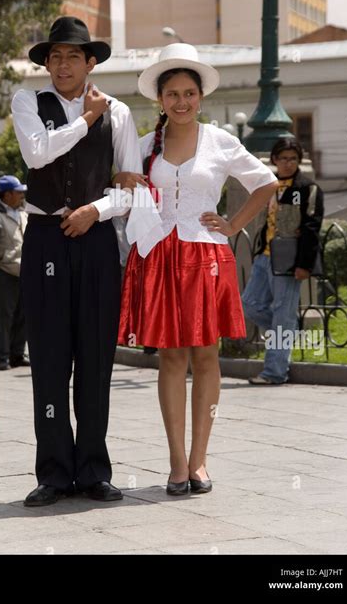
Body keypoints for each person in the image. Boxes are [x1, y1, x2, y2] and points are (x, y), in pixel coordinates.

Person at [115, 43, 278, 495]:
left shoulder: (221, 141)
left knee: (207, 357)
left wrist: (232, 225)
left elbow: (265, 182)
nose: (182, 102)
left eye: (189, 93)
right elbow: (125, 191)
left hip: (206, 257)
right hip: (160, 255)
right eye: (173, 94)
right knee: (170, 357)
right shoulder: (147, 145)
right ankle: (176, 465)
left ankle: (200, 461)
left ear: (200, 97)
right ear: (160, 100)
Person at [11, 16, 143, 506]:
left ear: (91, 62)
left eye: (73, 56)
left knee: (95, 360)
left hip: (95, 241)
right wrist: (84, 120)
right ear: (46, 63)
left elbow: (130, 188)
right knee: (47, 359)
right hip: (44, 236)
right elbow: (38, 155)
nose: (62, 65)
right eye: (55, 56)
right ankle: (52, 472)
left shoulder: (122, 113)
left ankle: (93, 469)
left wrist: (96, 211)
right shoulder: (28, 102)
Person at [241, 138, 324, 385]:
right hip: (265, 257)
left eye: (293, 159)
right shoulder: (270, 186)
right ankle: (290, 329)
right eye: (283, 158)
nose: (288, 163)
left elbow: (312, 229)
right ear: (274, 160)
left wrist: (304, 265)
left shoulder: (306, 188)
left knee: (281, 315)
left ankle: (274, 372)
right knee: (249, 304)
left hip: (290, 261)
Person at [0, 175, 29, 371]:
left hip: (24, 272)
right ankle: (2, 357)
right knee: (4, 316)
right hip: (5, 272)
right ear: (6, 195)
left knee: (23, 316)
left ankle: (17, 354)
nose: (21, 195)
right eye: (18, 192)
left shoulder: (23, 214)